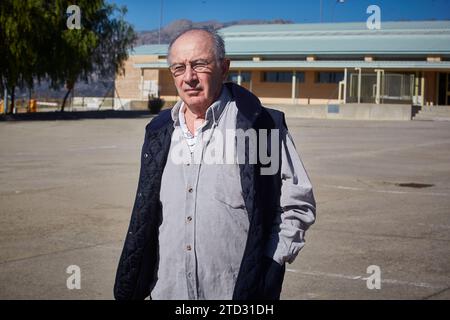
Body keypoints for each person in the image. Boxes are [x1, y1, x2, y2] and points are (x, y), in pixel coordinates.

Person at [114, 28, 316, 300]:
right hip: (165, 292)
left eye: (200, 64)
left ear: (224, 68)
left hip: (234, 293)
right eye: (179, 68)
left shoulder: (259, 127)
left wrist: (269, 266)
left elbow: (296, 204)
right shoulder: (159, 131)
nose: (189, 78)